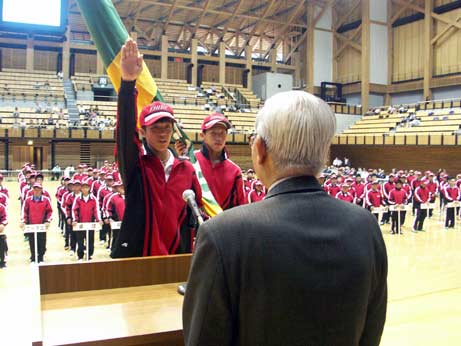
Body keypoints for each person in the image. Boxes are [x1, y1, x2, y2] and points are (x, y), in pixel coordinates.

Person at [183, 90, 387, 346]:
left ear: (260, 149)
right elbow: (370, 333)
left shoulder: (222, 235)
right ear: (325, 154)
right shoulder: (366, 227)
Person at [111, 38, 202, 258]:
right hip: (136, 259)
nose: (163, 133)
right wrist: (128, 84)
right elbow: (124, 134)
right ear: (142, 132)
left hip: (177, 259)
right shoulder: (135, 166)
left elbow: (196, 213)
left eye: (167, 127)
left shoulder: (187, 170)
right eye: (155, 128)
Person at [175, 112, 246, 211]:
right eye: (213, 133)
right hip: (193, 224)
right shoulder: (190, 161)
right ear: (202, 135)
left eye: (222, 133)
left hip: (221, 225)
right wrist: (181, 160)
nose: (218, 138)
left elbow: (240, 208)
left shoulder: (235, 171)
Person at [21, 183, 52, 263]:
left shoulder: (46, 200)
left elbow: (50, 212)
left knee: (42, 241)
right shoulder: (28, 200)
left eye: (38, 189)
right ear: (33, 190)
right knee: (32, 241)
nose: (37, 191)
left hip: (42, 225)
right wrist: (24, 221)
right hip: (31, 225)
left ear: (41, 190)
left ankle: (41, 257)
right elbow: (24, 211)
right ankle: (33, 257)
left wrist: (47, 221)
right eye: (35, 189)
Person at [72, 179, 102, 261]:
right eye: (83, 187)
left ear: (89, 188)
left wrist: (98, 219)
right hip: (80, 223)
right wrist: (75, 219)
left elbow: (96, 210)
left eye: (87, 187)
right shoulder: (78, 198)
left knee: (90, 240)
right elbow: (74, 209)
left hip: (90, 223)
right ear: (81, 189)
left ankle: (89, 255)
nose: (85, 189)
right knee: (80, 241)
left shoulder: (93, 199)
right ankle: (80, 256)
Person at [0, 203, 7, 268]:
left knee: (2, 245)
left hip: (0, 231)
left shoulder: (1, 207)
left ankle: (2, 262)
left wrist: (2, 224)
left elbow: (5, 218)